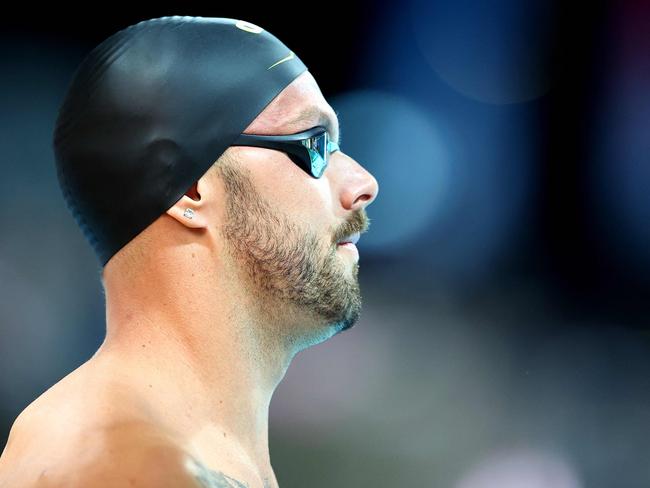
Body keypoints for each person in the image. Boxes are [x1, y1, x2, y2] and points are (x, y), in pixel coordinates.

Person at [0, 15, 378, 488]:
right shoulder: (112, 459)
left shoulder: (186, 454)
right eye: (315, 144)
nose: (364, 184)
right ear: (191, 190)